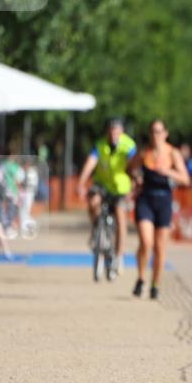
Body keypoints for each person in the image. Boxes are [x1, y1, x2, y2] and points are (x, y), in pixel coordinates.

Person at [128, 119, 190, 299]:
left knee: (160, 247)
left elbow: (185, 178)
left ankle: (156, 284)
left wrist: (168, 172)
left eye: (159, 131)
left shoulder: (173, 153)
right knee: (146, 243)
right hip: (145, 199)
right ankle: (141, 278)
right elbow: (130, 168)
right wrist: (136, 179)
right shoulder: (144, 153)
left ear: (165, 133)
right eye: (153, 131)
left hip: (164, 200)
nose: (156, 135)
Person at [77, 117, 137, 277]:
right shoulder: (100, 144)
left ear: (122, 131)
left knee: (120, 215)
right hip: (102, 183)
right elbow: (91, 162)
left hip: (120, 187)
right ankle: (96, 228)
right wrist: (81, 182)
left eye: (116, 131)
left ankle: (119, 255)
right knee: (93, 201)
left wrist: (134, 184)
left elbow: (134, 165)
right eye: (110, 130)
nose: (113, 134)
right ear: (106, 131)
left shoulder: (128, 145)